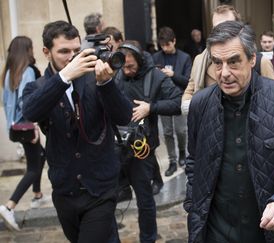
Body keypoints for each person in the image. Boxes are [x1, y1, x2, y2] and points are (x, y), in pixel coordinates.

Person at [184, 20, 274, 243]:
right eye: (217, 63)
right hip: (215, 231)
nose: (224, 73)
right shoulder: (200, 104)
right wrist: (193, 205)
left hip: (273, 231)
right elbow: (194, 161)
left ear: (252, 59)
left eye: (233, 61)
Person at [21, 20, 132, 242]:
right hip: (65, 191)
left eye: (76, 50)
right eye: (64, 51)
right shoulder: (38, 87)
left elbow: (123, 116)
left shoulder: (95, 77)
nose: (72, 56)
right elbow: (31, 112)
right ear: (47, 52)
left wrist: (106, 84)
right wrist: (64, 77)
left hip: (101, 188)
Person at [114, 40, 182, 243]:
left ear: (140, 61)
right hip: (116, 147)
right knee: (107, 200)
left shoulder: (156, 76)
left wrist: (151, 107)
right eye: (123, 66)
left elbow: (178, 102)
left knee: (145, 200)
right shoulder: (116, 73)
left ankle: (148, 239)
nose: (126, 71)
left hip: (141, 150)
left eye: (131, 66)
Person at [180, 4, 274, 115]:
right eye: (217, 28)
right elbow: (190, 90)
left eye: (228, 26)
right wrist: (196, 107)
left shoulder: (260, 62)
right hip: (211, 125)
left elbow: (272, 99)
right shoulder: (200, 60)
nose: (222, 32)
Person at [0, 36, 49, 231]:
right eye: (31, 47)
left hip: (16, 127)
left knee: (40, 156)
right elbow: (26, 102)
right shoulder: (28, 71)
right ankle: (9, 206)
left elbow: (7, 103)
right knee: (33, 168)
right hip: (26, 126)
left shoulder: (10, 72)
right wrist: (34, 125)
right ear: (26, 50)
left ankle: (37, 195)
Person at [152, 26, 192, 177]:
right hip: (162, 99)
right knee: (167, 132)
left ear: (174, 41)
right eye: (162, 45)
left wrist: (173, 74)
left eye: (167, 45)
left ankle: (182, 152)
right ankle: (172, 161)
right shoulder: (156, 58)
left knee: (181, 131)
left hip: (180, 98)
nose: (165, 48)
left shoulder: (185, 58)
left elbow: (188, 81)